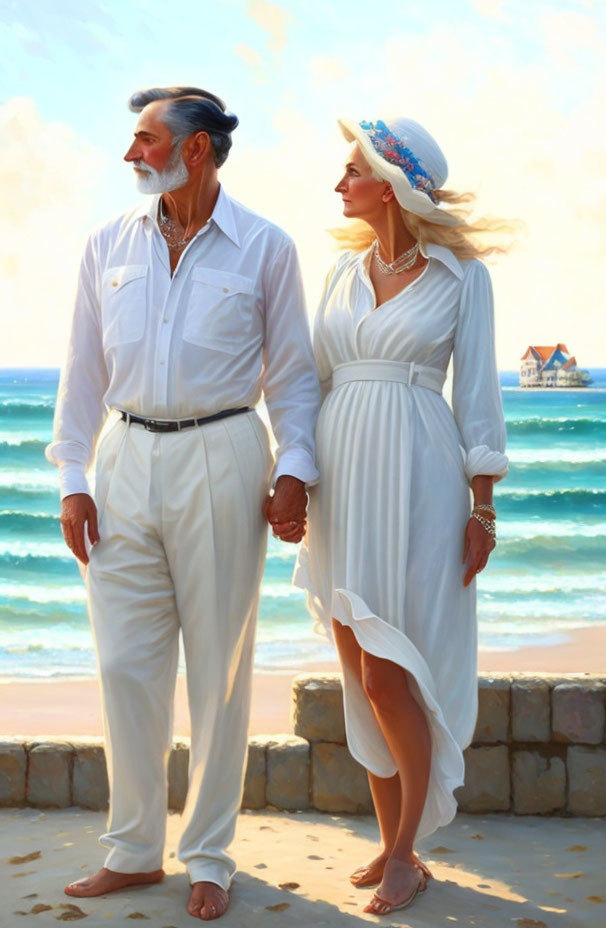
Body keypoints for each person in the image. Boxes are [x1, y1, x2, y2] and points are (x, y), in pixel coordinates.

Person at [46, 86, 319, 921]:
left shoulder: (266, 248)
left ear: (193, 149)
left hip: (225, 453)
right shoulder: (107, 244)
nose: (132, 153)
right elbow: (82, 373)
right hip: (125, 455)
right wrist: (72, 478)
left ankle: (209, 855)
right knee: (126, 664)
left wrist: (293, 468)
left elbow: (295, 377)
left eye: (146, 139)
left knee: (218, 672)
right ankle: (133, 849)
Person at [294, 117, 509, 916]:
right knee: (360, 675)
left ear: (389, 182)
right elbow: (311, 383)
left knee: (393, 673)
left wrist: (483, 507)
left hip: (420, 480)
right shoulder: (339, 275)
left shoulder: (461, 277)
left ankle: (407, 853)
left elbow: (478, 395)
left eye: (351, 170)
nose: (339, 183)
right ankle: (392, 845)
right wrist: (295, 475)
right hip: (343, 485)